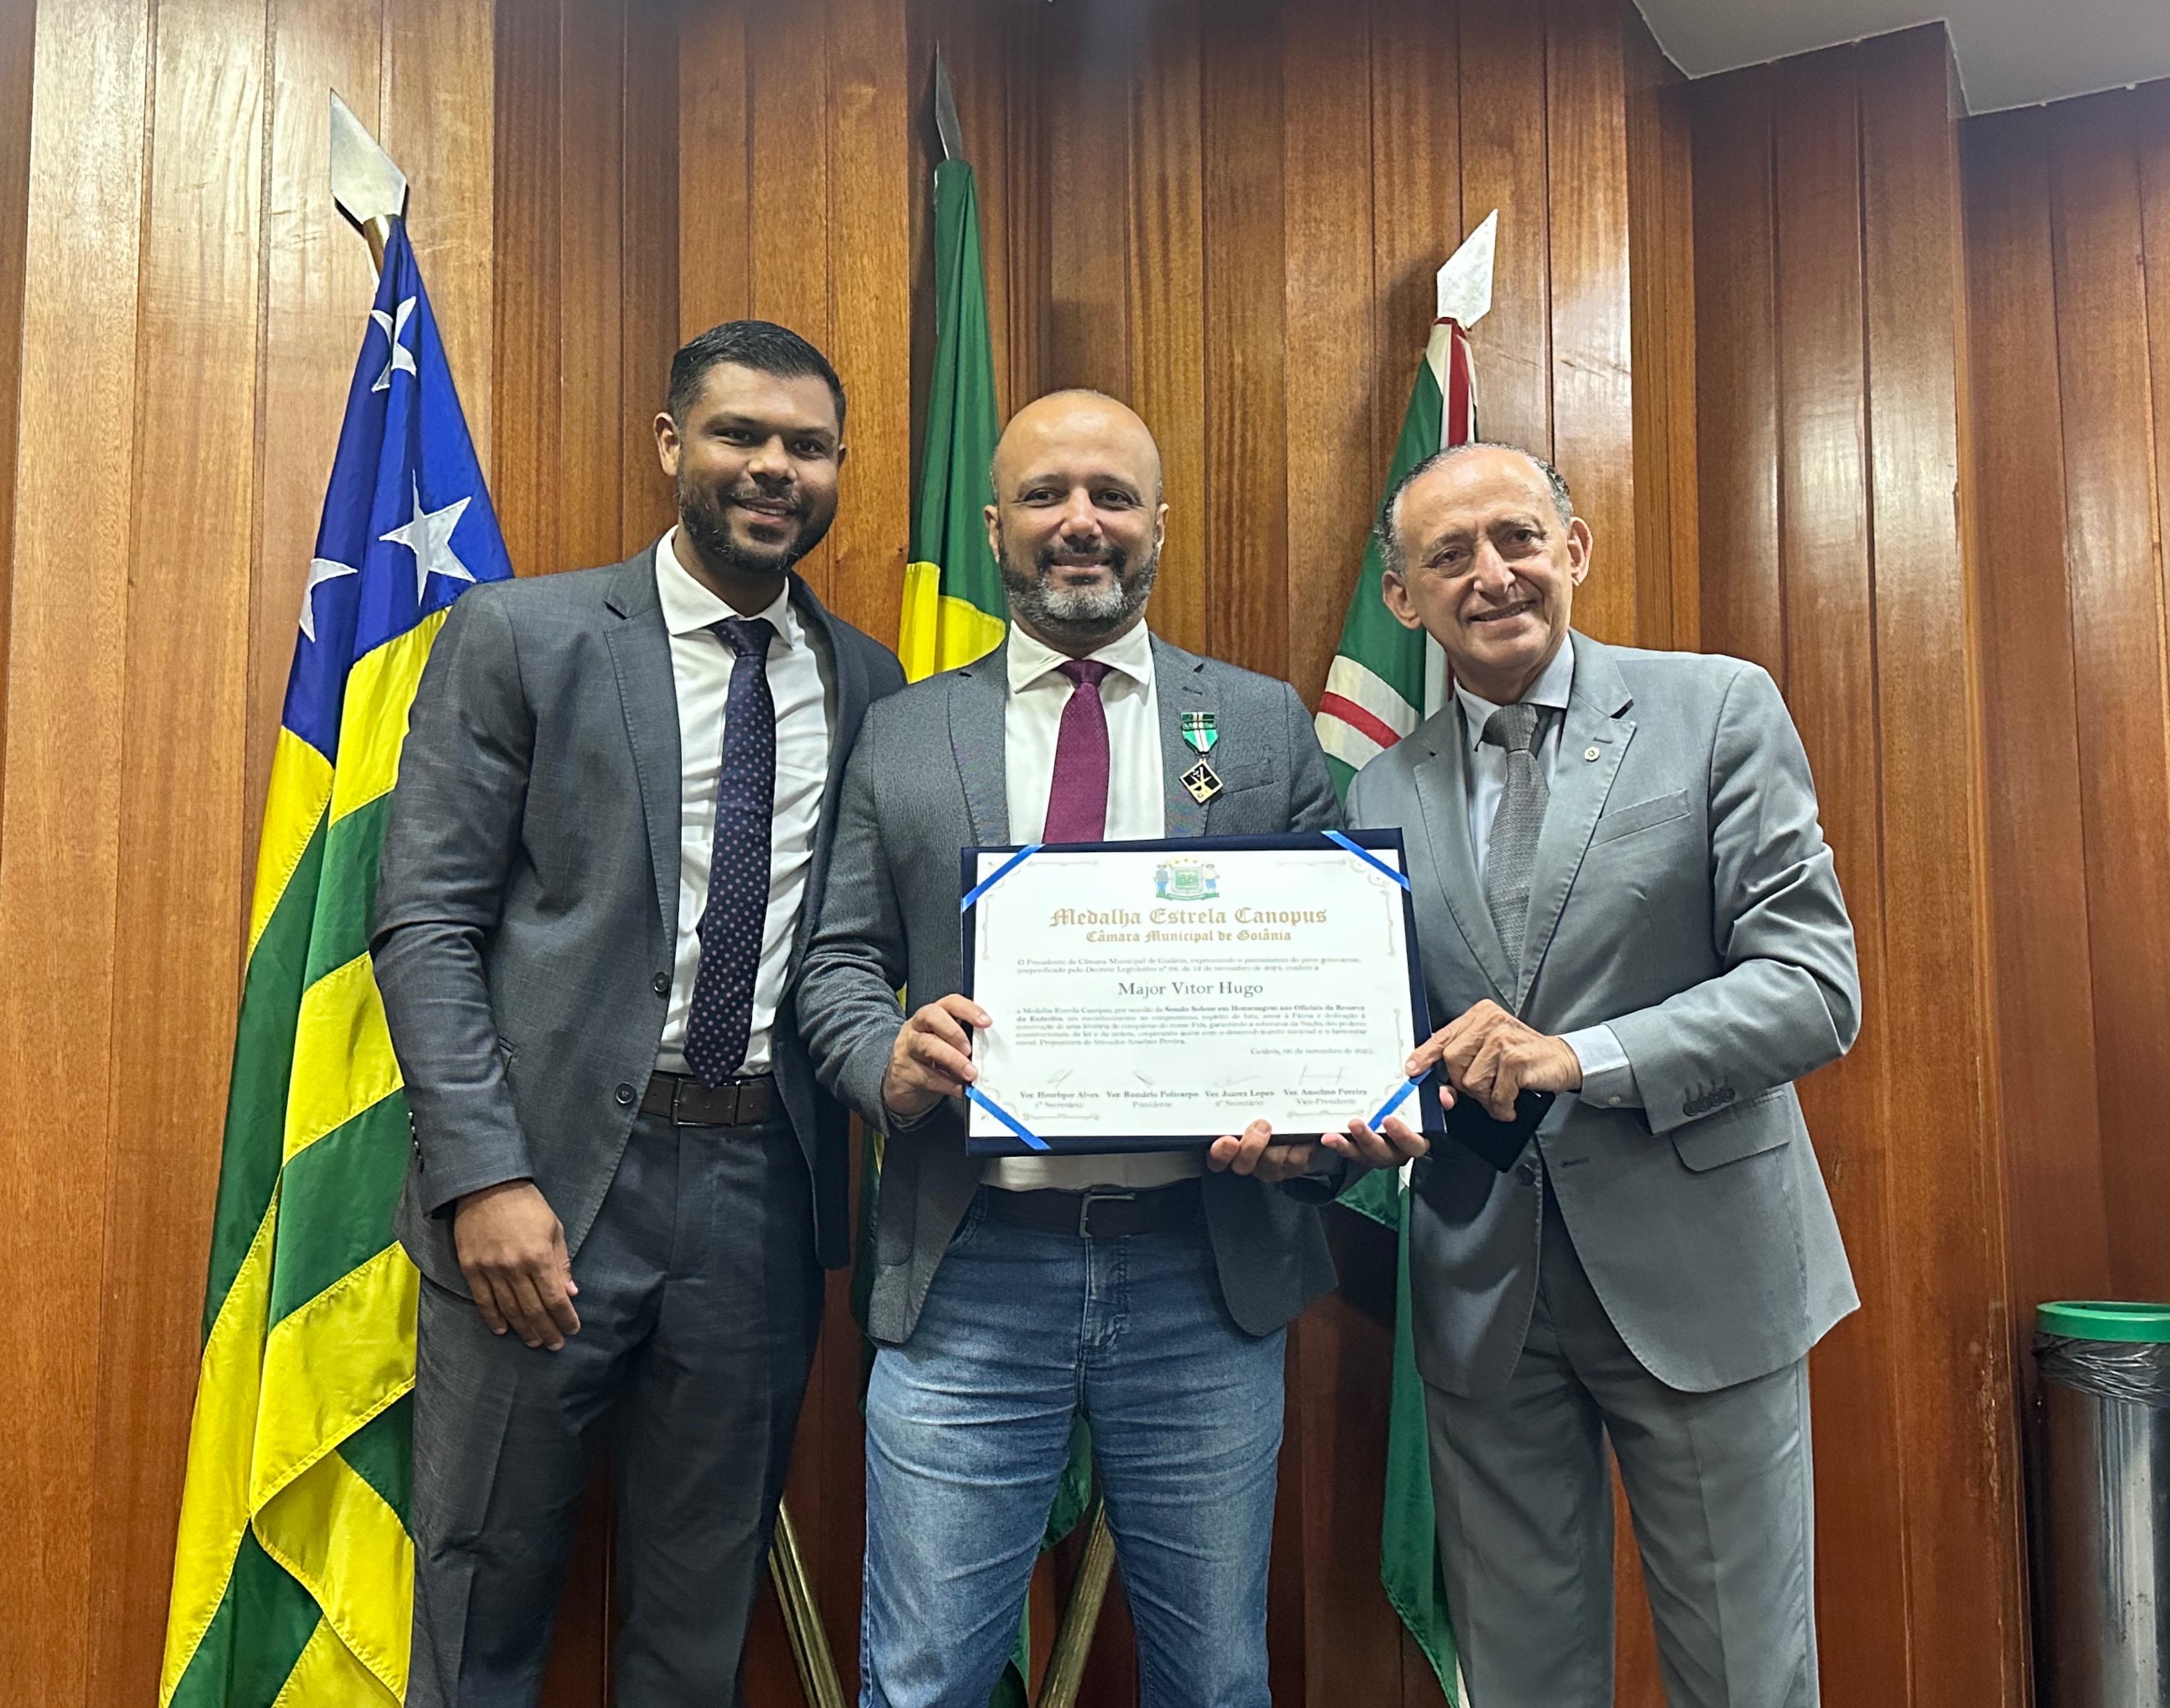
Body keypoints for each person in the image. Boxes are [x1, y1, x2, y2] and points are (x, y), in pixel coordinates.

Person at [800, 389, 1372, 1708]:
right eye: (1046, 495)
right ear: (994, 523)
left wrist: (1310, 1126)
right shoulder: (904, 729)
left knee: (1214, 1679)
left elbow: (1327, 975)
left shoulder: (1263, 724)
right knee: (925, 1678)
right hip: (971, 1267)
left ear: (1158, 523)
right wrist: (885, 1058)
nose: (1080, 522)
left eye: (1112, 496)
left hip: (1202, 1267)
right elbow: (834, 963)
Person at [371, 320, 903, 1706]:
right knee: (480, 1604)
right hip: (539, 1188)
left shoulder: (870, 682)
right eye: (739, 435)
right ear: (672, 444)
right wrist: (484, 1178)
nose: (773, 468)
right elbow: (425, 921)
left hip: (761, 1195)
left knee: (698, 1619)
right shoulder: (524, 636)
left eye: (806, 447)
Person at [1341, 442, 1861, 1706]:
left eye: (1517, 537)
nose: (1492, 573)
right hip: (1485, 1292)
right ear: (1402, 597)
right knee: (1520, 1679)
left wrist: (1582, 1058)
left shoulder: (1716, 708)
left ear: (1572, 550)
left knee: (1744, 1677)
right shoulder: (1373, 791)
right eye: (1449, 555)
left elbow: (1812, 987)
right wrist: (1341, 1117)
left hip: (1702, 1276)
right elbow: (1383, 1040)